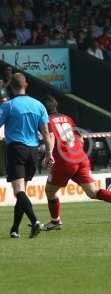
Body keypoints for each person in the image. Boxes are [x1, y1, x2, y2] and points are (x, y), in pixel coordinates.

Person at [41, 95, 111, 230]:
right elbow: (80, 139)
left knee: (50, 191)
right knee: (92, 192)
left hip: (64, 159)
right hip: (80, 157)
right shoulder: (67, 118)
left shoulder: (46, 120)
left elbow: (52, 137)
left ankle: (55, 221)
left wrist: (48, 155)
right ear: (56, 106)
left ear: (43, 109)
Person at [0, 73, 54, 238]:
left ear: (11, 87)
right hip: (34, 152)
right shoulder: (38, 105)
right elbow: (45, 132)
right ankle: (14, 229)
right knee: (22, 192)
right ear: (26, 85)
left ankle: (35, 221)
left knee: (18, 192)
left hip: (16, 149)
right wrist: (49, 153)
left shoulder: (9, 106)